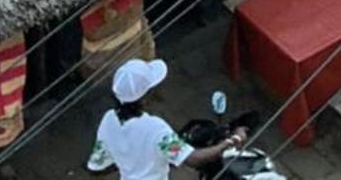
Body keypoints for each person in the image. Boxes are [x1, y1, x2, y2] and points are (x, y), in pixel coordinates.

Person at [88, 61, 245, 180]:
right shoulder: (155, 128)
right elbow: (194, 160)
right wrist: (232, 140)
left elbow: (96, 168)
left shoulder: (108, 120)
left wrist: (129, 163)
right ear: (144, 97)